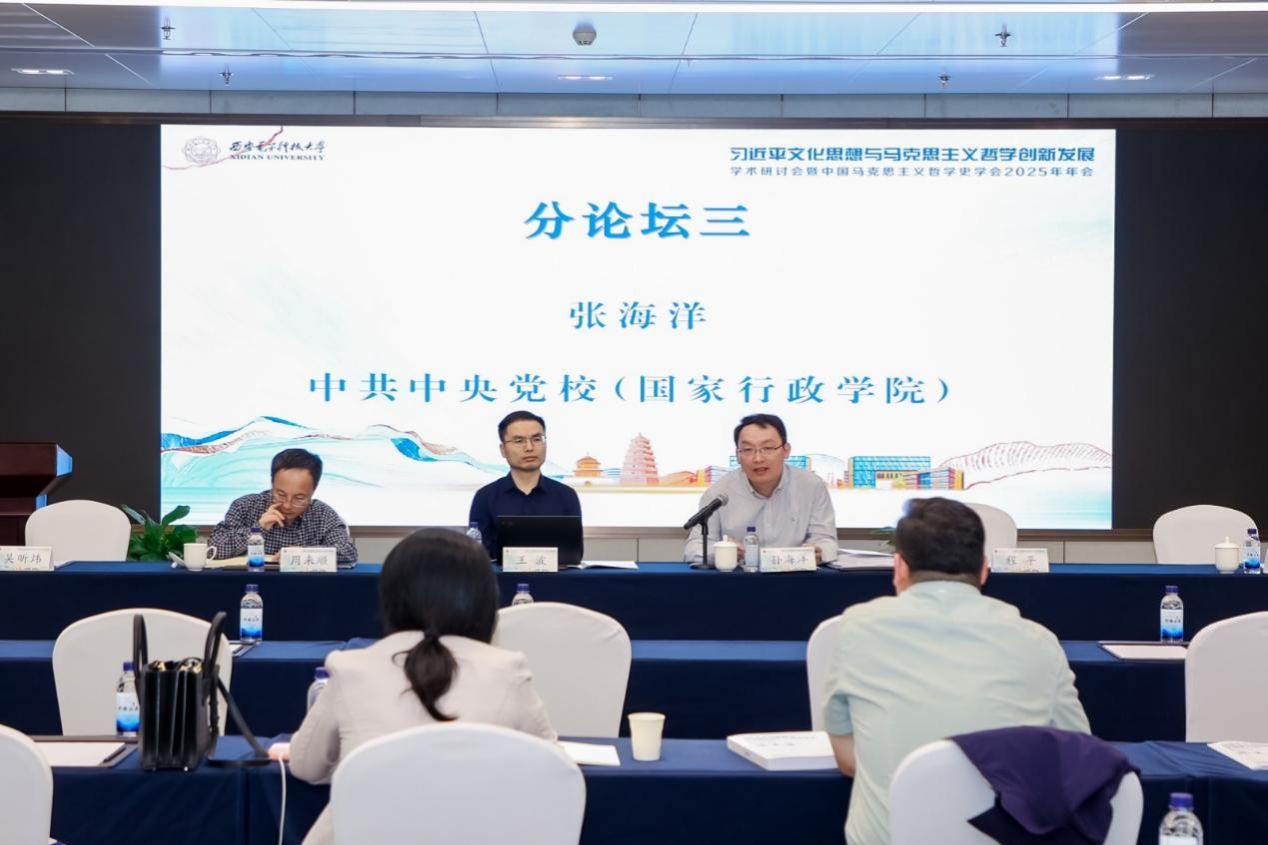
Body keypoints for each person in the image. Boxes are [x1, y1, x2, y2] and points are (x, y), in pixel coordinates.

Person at [823, 497, 1090, 845]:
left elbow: (846, 758)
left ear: (899, 568)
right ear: (984, 569)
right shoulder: (1039, 641)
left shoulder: (856, 629)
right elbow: (1076, 755)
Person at [278, 528, 556, 845]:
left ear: (391, 597)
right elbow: (552, 767)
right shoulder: (507, 670)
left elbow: (306, 766)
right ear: (484, 601)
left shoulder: (351, 668)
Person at [684, 413, 837, 565]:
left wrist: (819, 551)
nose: (758, 458)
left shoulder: (811, 486)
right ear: (738, 455)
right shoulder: (719, 493)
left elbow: (826, 541)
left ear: (786, 450)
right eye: (748, 449)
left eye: (768, 448)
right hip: (740, 577)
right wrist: (720, 552)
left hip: (795, 576)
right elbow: (693, 549)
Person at [208, 448, 357, 564]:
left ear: (313, 490)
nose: (287, 505)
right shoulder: (245, 506)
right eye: (281, 494)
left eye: (299, 498)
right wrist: (258, 529)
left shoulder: (322, 514)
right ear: (272, 482)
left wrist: (304, 553)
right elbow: (212, 550)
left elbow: (348, 553)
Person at [468, 411, 582, 559]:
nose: (529, 447)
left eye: (537, 439)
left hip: (554, 574)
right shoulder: (485, 497)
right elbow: (479, 555)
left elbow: (574, 553)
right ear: (503, 450)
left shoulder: (566, 495)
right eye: (519, 441)